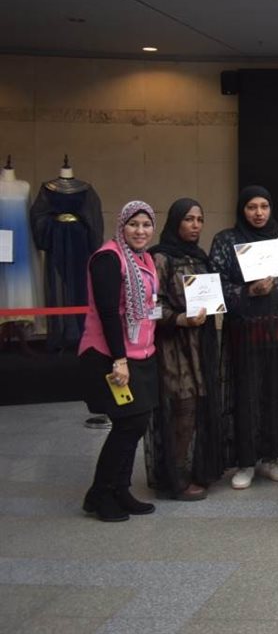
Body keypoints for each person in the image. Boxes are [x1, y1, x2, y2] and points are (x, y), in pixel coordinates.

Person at [210, 186, 278, 489]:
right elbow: (215, 283)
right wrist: (248, 290)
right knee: (245, 394)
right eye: (252, 207)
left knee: (275, 392)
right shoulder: (227, 239)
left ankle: (270, 458)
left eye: (264, 206)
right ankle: (246, 462)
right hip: (244, 329)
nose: (259, 213)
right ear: (242, 210)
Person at [80, 201, 159, 522]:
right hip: (110, 356)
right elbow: (109, 314)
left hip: (141, 353)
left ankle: (120, 490)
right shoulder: (108, 259)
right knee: (128, 424)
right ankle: (100, 494)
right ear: (122, 225)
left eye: (146, 225)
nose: (140, 231)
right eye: (133, 224)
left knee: (136, 423)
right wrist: (119, 359)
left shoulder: (144, 258)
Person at [144, 198, 226, 501]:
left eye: (199, 220)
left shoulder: (200, 257)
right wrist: (180, 318)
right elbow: (151, 306)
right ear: (175, 221)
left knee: (197, 410)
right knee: (182, 410)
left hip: (200, 344)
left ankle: (194, 470)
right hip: (173, 347)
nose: (195, 225)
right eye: (189, 219)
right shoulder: (160, 258)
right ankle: (175, 479)